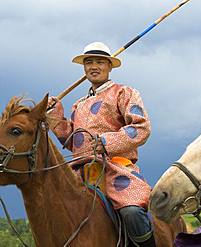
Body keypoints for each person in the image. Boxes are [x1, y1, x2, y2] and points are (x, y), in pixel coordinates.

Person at [47, 41, 156, 247]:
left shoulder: (125, 93)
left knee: (131, 211)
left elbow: (141, 127)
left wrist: (106, 141)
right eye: (89, 62)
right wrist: (55, 116)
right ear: (84, 68)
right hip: (81, 172)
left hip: (116, 168)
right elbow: (73, 142)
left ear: (109, 66)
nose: (94, 66)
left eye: (99, 62)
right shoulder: (78, 104)